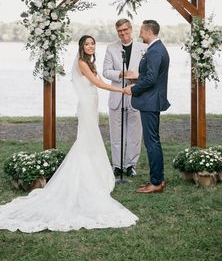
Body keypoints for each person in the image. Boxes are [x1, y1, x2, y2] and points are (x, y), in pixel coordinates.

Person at [0, 35, 138, 232]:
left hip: (91, 103)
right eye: (87, 44)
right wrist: (121, 91)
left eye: (92, 43)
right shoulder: (82, 63)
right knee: (86, 140)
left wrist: (122, 77)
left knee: (91, 139)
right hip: (87, 105)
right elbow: (97, 83)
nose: (91, 46)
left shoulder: (90, 62)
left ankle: (94, 174)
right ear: (82, 47)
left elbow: (98, 80)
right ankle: (85, 177)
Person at [124, 20, 170, 194]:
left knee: (152, 142)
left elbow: (150, 79)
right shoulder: (156, 49)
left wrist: (133, 89)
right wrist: (138, 78)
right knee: (153, 141)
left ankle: (156, 182)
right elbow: (150, 76)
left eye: (142, 31)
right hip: (151, 100)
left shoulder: (155, 51)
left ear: (149, 31)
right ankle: (157, 179)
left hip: (150, 101)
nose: (140, 34)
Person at [103, 19, 147, 177]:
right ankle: (117, 165)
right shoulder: (111, 48)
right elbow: (106, 71)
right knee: (116, 133)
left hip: (136, 95)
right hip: (117, 95)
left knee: (135, 133)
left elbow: (148, 72)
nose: (123, 33)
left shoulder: (143, 48)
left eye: (125, 30)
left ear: (131, 29)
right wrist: (120, 74)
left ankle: (130, 165)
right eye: (119, 31)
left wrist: (137, 77)